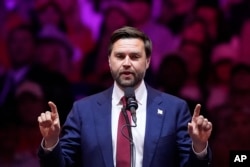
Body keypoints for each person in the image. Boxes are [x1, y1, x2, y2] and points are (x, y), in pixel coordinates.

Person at [37, 26, 212, 167]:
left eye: (135, 57)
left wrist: (199, 147)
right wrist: (52, 142)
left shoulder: (174, 109)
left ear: (148, 61)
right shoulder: (83, 110)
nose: (127, 63)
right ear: (109, 61)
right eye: (120, 56)